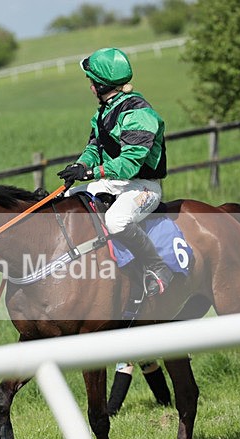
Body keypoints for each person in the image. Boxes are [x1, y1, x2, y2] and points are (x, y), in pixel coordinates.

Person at [58, 47, 173, 297]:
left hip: (142, 186)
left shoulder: (139, 113)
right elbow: (94, 148)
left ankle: (157, 267)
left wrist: (90, 174)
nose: (89, 86)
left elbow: (130, 164)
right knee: (67, 201)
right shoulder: (103, 112)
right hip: (113, 182)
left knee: (116, 221)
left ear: (100, 86)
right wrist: (80, 166)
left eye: (91, 81)